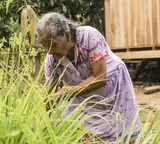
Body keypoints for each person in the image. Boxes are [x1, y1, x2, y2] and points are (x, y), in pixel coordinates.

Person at [36, 12, 141, 143]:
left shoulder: (89, 36)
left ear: (67, 35)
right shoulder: (52, 59)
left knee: (121, 131)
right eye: (44, 45)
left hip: (114, 88)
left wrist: (67, 92)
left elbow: (100, 77)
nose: (48, 50)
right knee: (79, 132)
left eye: (52, 44)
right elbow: (49, 97)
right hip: (83, 93)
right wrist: (37, 128)